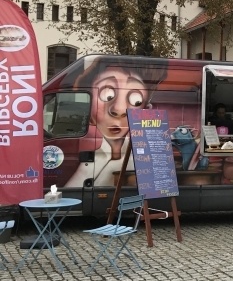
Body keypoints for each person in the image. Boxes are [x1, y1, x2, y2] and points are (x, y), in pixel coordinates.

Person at [63, 57, 168, 188]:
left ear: (146, 108)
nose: (118, 109)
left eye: (136, 99)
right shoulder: (95, 157)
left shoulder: (143, 155)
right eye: (107, 95)